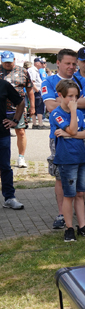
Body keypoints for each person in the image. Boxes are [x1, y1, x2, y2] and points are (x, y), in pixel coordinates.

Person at [42, 49, 85, 230]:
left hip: (81, 135)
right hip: (59, 138)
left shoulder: (81, 80)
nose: (72, 67)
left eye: (74, 63)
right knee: (61, 177)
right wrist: (73, 105)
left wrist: (66, 103)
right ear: (58, 63)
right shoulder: (48, 81)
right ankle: (61, 214)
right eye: (68, 63)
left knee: (84, 172)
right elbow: (50, 106)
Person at [51, 80, 85, 241]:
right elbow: (75, 129)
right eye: (70, 96)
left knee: (80, 193)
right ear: (60, 96)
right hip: (67, 159)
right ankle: (69, 228)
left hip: (81, 156)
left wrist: (67, 134)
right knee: (69, 194)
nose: (74, 100)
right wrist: (73, 113)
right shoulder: (56, 113)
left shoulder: (80, 114)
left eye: (76, 96)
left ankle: (82, 226)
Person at [0, 52, 34, 169]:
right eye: (5, 62)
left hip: (18, 107)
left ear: (14, 60)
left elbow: (30, 89)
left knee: (20, 132)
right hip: (2, 109)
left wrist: (32, 106)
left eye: (9, 61)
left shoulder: (22, 71)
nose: (7, 64)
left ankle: (21, 157)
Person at [0, 75, 25, 210]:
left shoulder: (3, 85)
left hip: (2, 133)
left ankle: (9, 198)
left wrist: (15, 121)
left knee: (5, 167)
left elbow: (20, 102)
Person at [26, 60, 44, 129]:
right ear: (37, 63)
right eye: (41, 63)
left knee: (35, 107)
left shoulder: (34, 70)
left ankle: (35, 124)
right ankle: (40, 124)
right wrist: (38, 90)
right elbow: (32, 82)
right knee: (39, 107)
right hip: (36, 91)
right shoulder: (33, 70)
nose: (42, 64)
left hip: (34, 91)